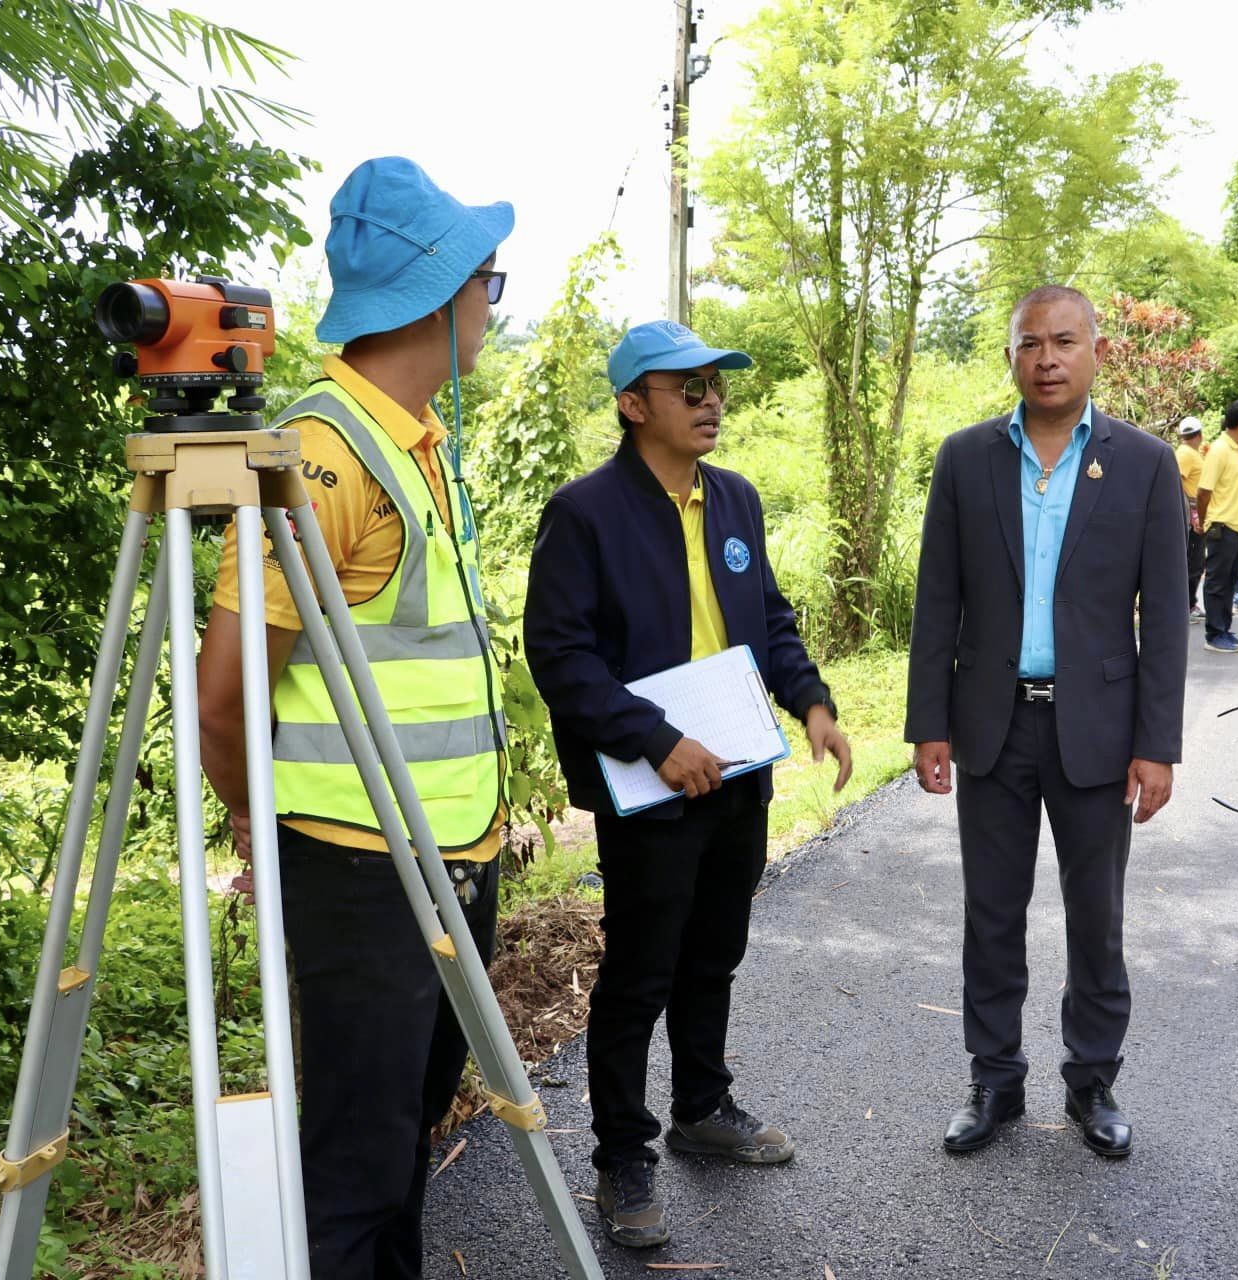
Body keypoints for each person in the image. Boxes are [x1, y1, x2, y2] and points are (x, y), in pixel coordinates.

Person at [196, 156, 512, 1279]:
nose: (492, 306)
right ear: (439, 293)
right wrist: (254, 821)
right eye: (491, 282)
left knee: (400, 1145)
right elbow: (224, 696)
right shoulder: (326, 453)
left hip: (442, 859)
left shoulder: (414, 442)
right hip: (358, 869)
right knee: (352, 1170)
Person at [525, 320, 853, 1250]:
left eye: (717, 384)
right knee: (639, 974)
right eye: (688, 387)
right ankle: (623, 1153)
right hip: (651, 784)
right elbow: (559, 652)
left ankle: (703, 1107)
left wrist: (813, 703)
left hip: (740, 772)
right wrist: (657, 740)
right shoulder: (586, 513)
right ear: (634, 405)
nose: (712, 401)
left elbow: (769, 622)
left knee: (714, 952)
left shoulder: (736, 500)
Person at [906, 284, 1187, 1160]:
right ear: (1010, 357)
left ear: (1097, 352)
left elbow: (1168, 615)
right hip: (991, 722)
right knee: (991, 911)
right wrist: (928, 725)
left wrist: (1158, 746)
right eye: (1031, 344)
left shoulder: (1143, 463)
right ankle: (994, 1080)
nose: (1048, 359)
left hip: (1097, 730)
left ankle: (1091, 1081)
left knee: (1094, 915)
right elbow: (937, 599)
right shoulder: (965, 460)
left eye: (1066, 342)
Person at [1196, 400, 1238, 654]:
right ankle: (1214, 633)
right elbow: (1203, 491)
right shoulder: (1220, 450)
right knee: (1217, 581)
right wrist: (1203, 521)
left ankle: (1225, 629)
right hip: (1223, 525)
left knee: (1231, 580)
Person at [1174, 416, 1208, 623]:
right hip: (1192, 512)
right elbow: (1176, 480)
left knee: (1196, 561)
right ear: (1199, 435)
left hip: (1197, 510)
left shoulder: (1191, 453)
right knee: (1194, 562)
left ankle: (1190, 603)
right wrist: (1190, 512)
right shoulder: (1185, 454)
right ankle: (1186, 605)